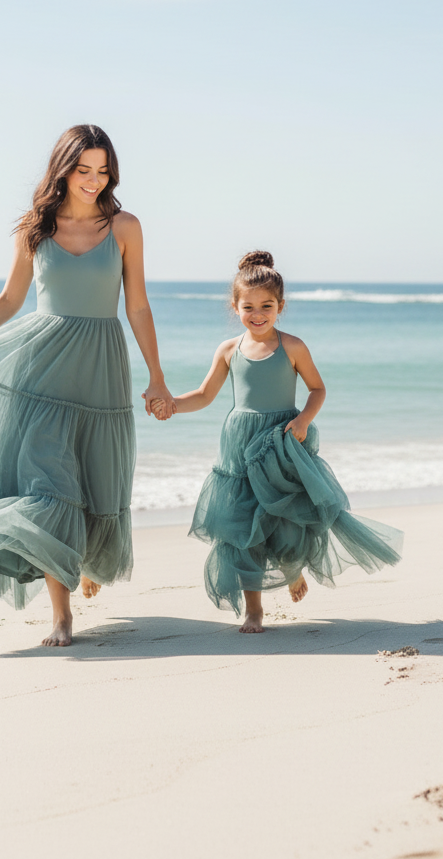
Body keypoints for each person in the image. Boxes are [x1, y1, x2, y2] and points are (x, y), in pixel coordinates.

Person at [0, 124, 173, 647]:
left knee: (95, 482)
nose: (93, 180)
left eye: (103, 171)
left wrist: (156, 376)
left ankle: (81, 560)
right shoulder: (35, 229)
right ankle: (61, 616)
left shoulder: (125, 228)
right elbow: (9, 300)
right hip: (40, 375)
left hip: (101, 370)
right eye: (83, 169)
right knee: (50, 489)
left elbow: (137, 306)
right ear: (63, 169)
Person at [150, 250, 403, 634]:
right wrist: (171, 404)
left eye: (266, 306)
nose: (258, 314)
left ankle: (291, 568)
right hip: (239, 447)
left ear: (280, 306)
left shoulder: (293, 346)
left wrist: (303, 419)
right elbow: (203, 395)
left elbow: (317, 389)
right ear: (235, 307)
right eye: (248, 307)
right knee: (243, 527)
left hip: (282, 444)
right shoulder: (228, 350)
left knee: (286, 517)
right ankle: (254, 610)